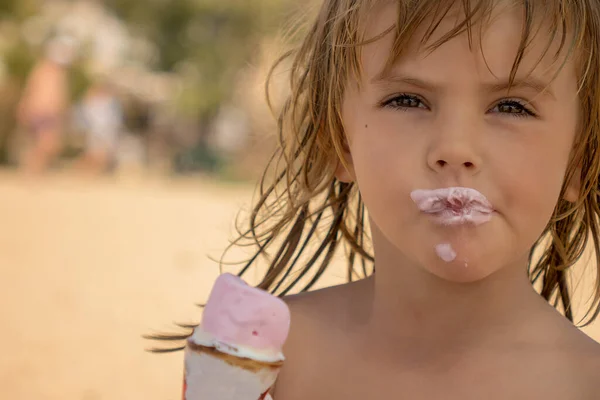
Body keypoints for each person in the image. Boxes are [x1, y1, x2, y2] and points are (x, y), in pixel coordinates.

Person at [151, 0, 600, 398]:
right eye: (408, 100)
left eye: (511, 107)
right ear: (339, 144)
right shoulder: (267, 360)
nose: (455, 149)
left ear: (580, 158)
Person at [16, 34, 77, 175]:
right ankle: (32, 170)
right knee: (46, 143)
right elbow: (31, 89)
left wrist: (64, 111)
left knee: (49, 144)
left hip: (51, 113)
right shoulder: (43, 69)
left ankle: (34, 170)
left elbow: (61, 96)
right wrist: (24, 106)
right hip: (40, 110)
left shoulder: (61, 73)